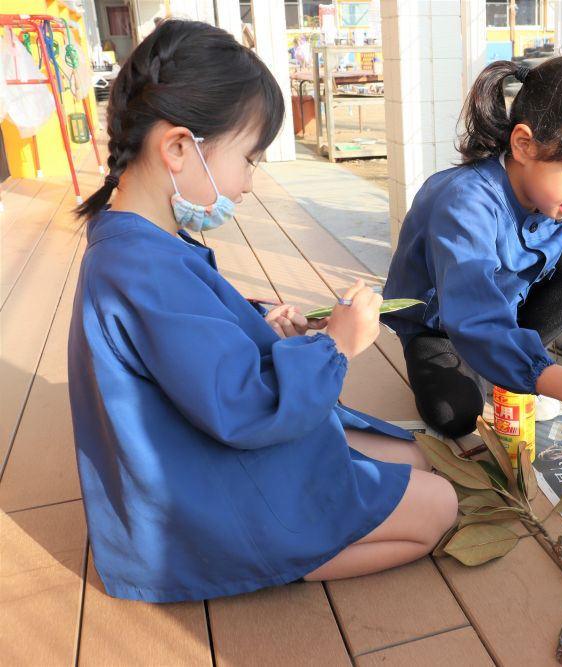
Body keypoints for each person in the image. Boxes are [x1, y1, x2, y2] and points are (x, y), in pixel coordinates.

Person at [68, 20, 457, 603]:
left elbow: (194, 350)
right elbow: (243, 407)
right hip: (194, 499)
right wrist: (337, 346)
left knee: (415, 457)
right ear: (178, 148)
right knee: (441, 509)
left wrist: (262, 326)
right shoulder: (142, 267)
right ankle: (268, 556)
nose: (250, 182)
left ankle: (292, 532)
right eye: (249, 158)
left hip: (193, 454)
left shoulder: (137, 241)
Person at [382, 55, 562, 439]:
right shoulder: (465, 202)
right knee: (455, 416)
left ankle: (521, 367)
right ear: (524, 144)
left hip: (506, 316)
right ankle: (522, 369)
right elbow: (473, 314)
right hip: (441, 325)